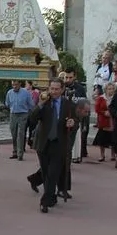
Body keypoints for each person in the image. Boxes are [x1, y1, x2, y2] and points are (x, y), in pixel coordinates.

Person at [31, 78, 77, 213]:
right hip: (43, 143)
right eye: (52, 89)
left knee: (53, 173)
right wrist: (39, 104)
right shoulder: (45, 102)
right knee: (46, 173)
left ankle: (44, 202)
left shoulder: (68, 105)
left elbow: (76, 120)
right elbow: (32, 118)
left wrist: (72, 123)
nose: (54, 91)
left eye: (57, 89)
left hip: (59, 143)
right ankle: (51, 197)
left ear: (62, 89)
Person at [6, 80, 34, 160]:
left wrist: (29, 113)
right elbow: (7, 103)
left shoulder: (26, 92)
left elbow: (31, 104)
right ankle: (15, 151)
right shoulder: (9, 92)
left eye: (16, 84)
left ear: (20, 84)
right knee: (13, 133)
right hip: (13, 114)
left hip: (23, 114)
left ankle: (20, 154)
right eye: (13, 85)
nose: (14, 86)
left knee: (20, 134)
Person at [93, 82, 116, 161]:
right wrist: (104, 112)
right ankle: (102, 155)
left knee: (113, 139)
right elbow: (97, 109)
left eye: (112, 89)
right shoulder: (101, 98)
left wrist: (113, 113)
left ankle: (113, 155)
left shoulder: (116, 98)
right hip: (103, 121)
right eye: (109, 89)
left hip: (113, 121)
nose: (111, 91)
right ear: (105, 90)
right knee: (102, 139)